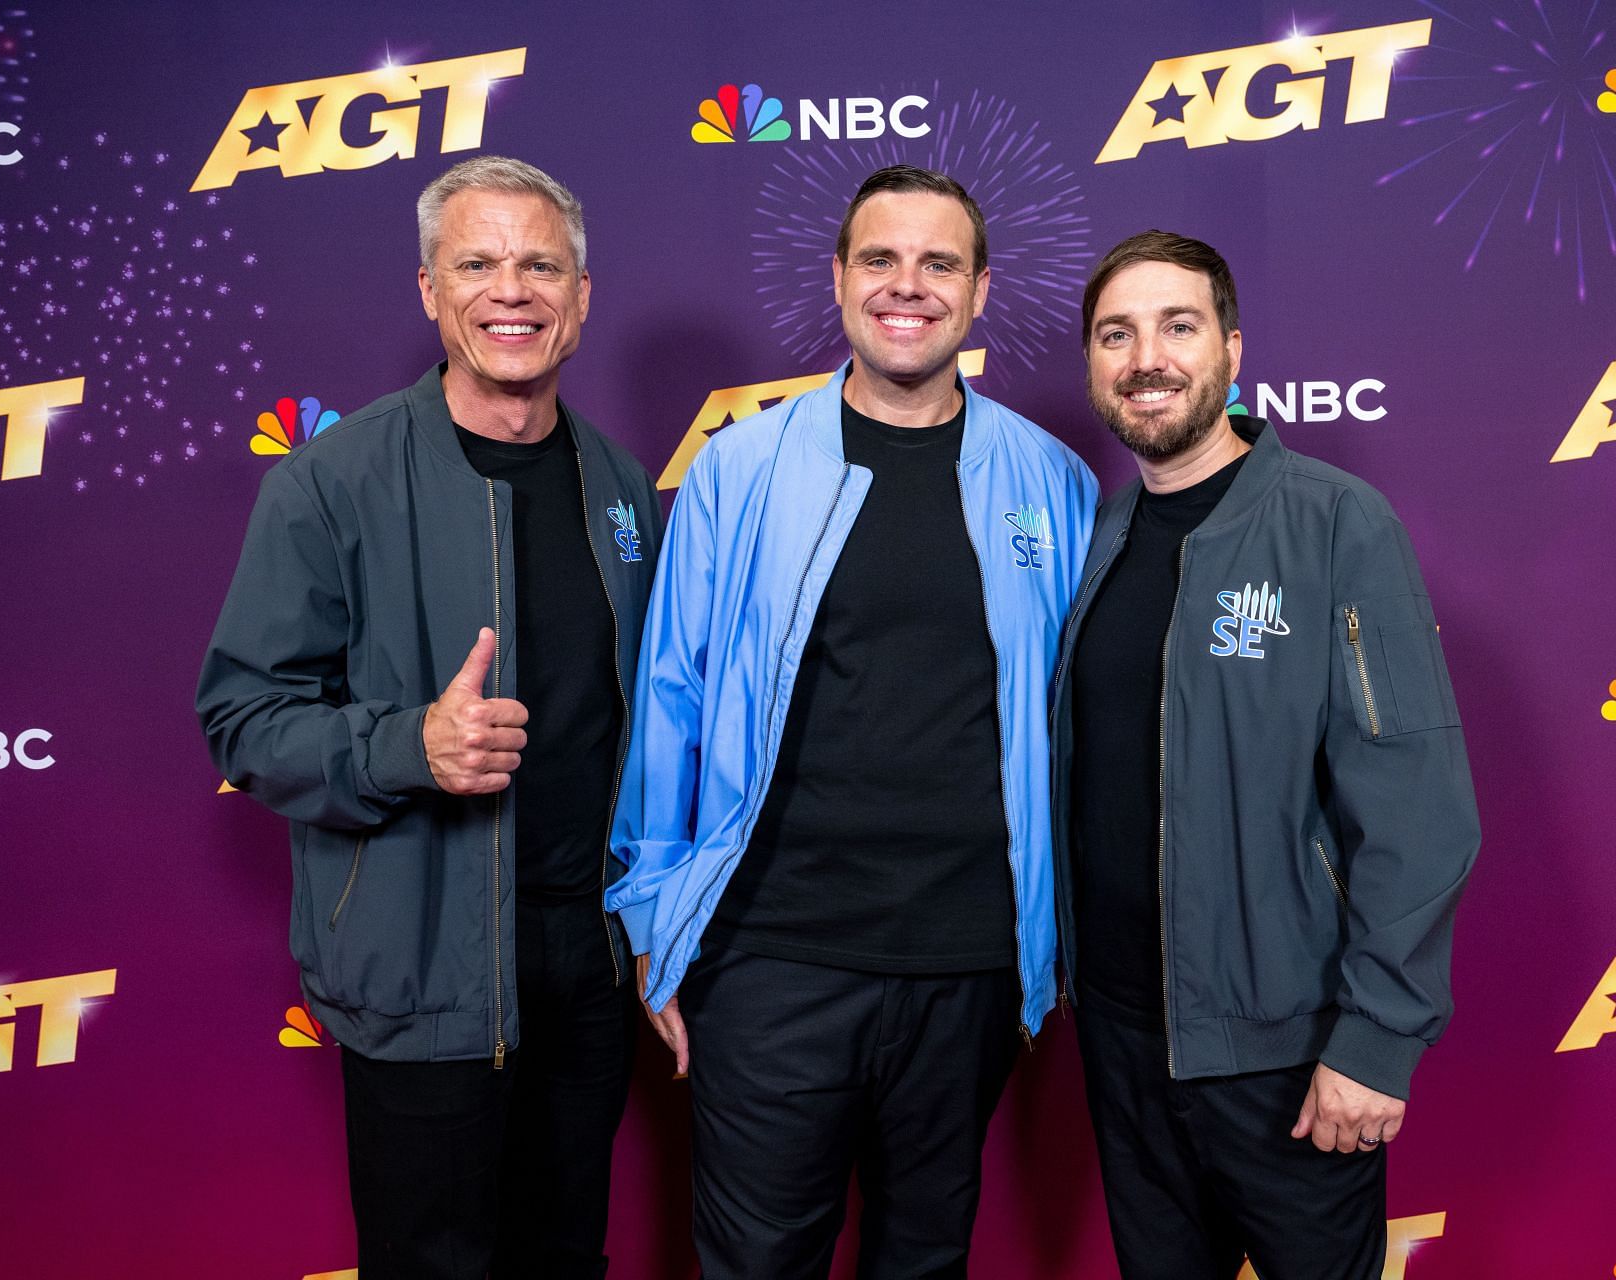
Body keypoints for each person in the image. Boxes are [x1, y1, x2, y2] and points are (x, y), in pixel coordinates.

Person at [606, 164, 1097, 1279]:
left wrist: (1048, 942)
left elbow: (1074, 720)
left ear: (977, 292)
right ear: (838, 281)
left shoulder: (1053, 480)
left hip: (969, 966)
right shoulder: (737, 469)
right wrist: (652, 921)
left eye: (939, 264)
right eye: (880, 258)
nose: (906, 286)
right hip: (769, 956)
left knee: (922, 1260)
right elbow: (672, 697)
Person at [195, 155, 659, 1279]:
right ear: (427, 290)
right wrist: (411, 744)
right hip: (421, 960)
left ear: (583, 297)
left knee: (565, 1254)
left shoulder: (621, 483)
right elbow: (243, 717)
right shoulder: (330, 481)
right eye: (479, 262)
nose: (514, 289)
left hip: (585, 968)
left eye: (542, 264)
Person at [1052, 230, 1480, 1280]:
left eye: (1178, 326)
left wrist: (1377, 1039)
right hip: (1123, 1041)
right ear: (1095, 365)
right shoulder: (1098, 534)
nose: (1147, 356)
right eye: (1118, 333)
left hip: (1290, 1055)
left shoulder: (1337, 522)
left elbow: (1418, 804)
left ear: (1233, 350)